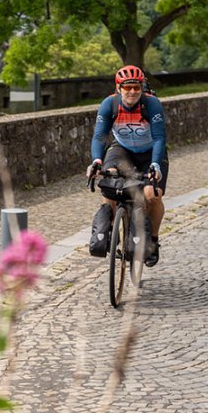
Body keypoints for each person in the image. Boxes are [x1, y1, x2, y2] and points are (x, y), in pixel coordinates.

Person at [87, 65, 168, 266]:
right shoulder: (109, 104)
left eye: (136, 87)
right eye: (127, 87)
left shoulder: (151, 104)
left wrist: (156, 164)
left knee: (151, 195)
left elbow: (159, 137)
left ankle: (153, 240)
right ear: (119, 88)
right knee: (109, 184)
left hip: (150, 152)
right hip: (121, 150)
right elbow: (99, 136)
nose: (132, 91)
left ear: (142, 88)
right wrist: (97, 161)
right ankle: (109, 229)